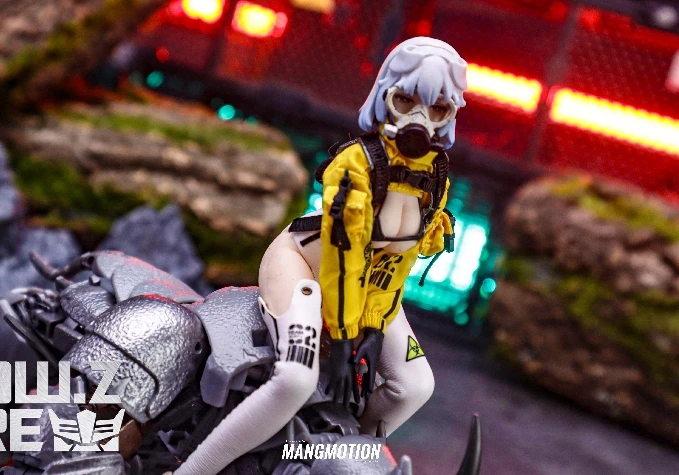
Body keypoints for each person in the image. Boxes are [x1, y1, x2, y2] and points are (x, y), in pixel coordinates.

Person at [173, 37, 468, 475]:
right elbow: (343, 259)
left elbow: (397, 266)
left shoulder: (436, 177)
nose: (419, 119)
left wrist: (374, 323)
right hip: (304, 267)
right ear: (385, 97)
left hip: (371, 285)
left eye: (437, 108)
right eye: (406, 101)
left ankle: (337, 457)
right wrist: (347, 335)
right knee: (295, 378)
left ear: (450, 115)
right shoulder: (357, 164)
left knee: (414, 385)